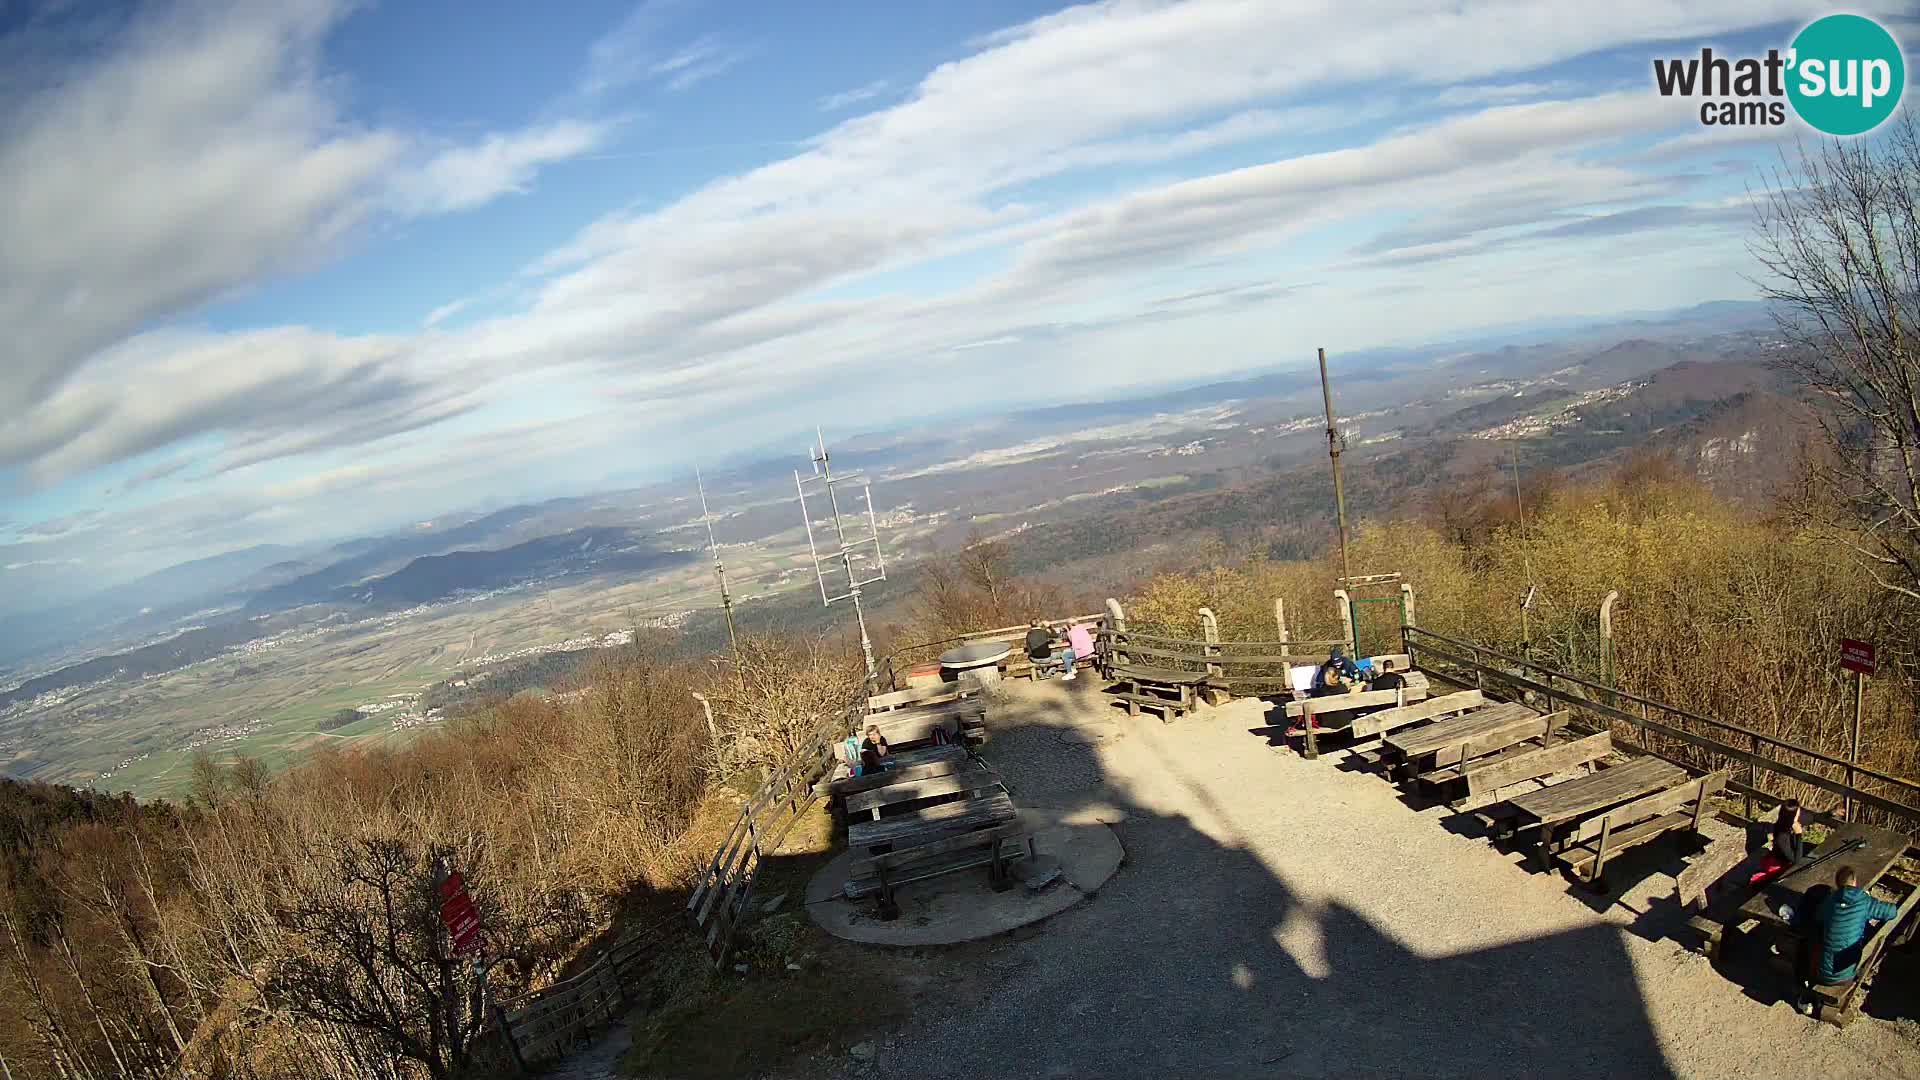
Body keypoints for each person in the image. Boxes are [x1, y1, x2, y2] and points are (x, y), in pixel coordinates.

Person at [1797, 866, 1903, 1014]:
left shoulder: (1829, 901)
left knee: (1812, 942)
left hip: (1821, 973)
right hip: (1847, 975)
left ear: (1837, 883)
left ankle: (1805, 994)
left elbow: (1818, 918)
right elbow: (1892, 912)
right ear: (1855, 881)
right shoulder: (1864, 901)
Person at [1773, 800, 1806, 866]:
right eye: (1797, 814)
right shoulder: (1782, 835)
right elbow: (1796, 861)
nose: (1799, 815)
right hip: (1783, 865)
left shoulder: (1783, 824)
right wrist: (1798, 834)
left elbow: (1808, 818)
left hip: (1789, 856)